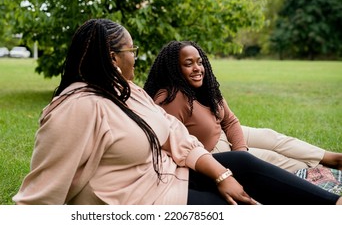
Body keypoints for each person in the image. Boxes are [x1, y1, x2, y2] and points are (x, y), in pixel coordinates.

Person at [13, 19, 342, 205]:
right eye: (132, 51)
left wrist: (221, 174)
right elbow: (40, 194)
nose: (136, 58)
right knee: (240, 207)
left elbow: (175, 133)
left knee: (243, 163)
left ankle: (332, 207)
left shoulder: (129, 93)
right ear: (112, 57)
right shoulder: (77, 108)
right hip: (140, 203)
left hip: (171, 175)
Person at [143, 40, 342, 173]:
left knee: (271, 137)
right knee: (274, 159)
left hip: (223, 134)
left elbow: (229, 120)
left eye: (200, 62)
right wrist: (240, 160)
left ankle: (332, 159)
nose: (198, 68)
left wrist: (241, 151)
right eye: (188, 63)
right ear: (174, 68)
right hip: (212, 152)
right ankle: (312, 173)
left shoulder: (205, 88)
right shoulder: (171, 98)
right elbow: (171, 146)